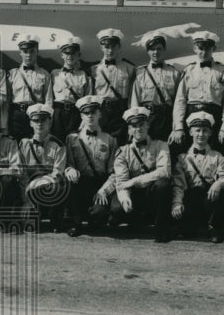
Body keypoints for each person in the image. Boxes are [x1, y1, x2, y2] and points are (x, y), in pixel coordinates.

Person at [110, 107, 174, 243]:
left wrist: (134, 181)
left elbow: (164, 172)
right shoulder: (123, 151)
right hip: (135, 195)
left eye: (141, 125)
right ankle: (135, 221)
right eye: (134, 126)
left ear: (148, 125)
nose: (138, 129)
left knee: (163, 184)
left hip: (153, 192)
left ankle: (161, 230)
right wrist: (125, 198)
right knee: (117, 207)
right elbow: (121, 180)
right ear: (129, 130)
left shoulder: (161, 145)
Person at [172, 111, 224, 243]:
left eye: (205, 130)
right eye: (198, 130)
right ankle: (191, 225)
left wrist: (218, 183)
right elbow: (179, 184)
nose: (201, 134)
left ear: (210, 133)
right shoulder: (183, 158)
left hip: (210, 201)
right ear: (190, 132)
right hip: (192, 201)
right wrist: (177, 203)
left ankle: (216, 228)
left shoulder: (218, 157)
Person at [171, 30, 224, 154]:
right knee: (189, 153)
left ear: (214, 48)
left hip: (215, 116)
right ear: (194, 48)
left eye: (208, 48)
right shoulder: (189, 70)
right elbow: (180, 101)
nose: (204, 52)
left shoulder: (222, 71)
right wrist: (178, 127)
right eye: (200, 48)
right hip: (191, 115)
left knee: (213, 153)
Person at [62, 96, 116, 237]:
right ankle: (76, 223)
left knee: (98, 214)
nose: (90, 115)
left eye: (93, 112)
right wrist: (70, 169)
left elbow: (114, 172)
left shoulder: (110, 140)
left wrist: (104, 190)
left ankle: (96, 218)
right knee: (68, 182)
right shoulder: (72, 139)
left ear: (100, 114)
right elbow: (68, 163)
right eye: (86, 113)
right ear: (81, 116)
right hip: (80, 183)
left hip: (100, 184)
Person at [18, 103, 70, 233]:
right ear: (30, 123)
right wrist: (26, 200)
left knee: (62, 184)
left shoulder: (58, 145)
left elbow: (57, 174)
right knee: (31, 228)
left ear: (50, 122)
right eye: (35, 120)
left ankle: (55, 218)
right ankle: (33, 214)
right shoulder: (23, 144)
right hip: (29, 191)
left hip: (49, 187)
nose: (39, 124)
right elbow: (22, 174)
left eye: (43, 120)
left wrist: (37, 183)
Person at [130, 31, 181, 144]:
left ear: (164, 49)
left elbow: (179, 102)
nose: (156, 52)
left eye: (159, 48)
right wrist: (135, 126)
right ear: (147, 51)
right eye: (152, 49)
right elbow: (135, 102)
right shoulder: (140, 74)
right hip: (147, 120)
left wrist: (176, 127)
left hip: (167, 119)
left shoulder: (174, 73)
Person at [89, 28, 136, 144]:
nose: (110, 50)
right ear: (101, 48)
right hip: (101, 111)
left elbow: (132, 94)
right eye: (106, 47)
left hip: (120, 110)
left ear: (119, 47)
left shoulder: (129, 69)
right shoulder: (94, 70)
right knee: (100, 143)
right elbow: (90, 95)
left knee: (120, 144)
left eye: (113, 47)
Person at [7, 33, 51, 141]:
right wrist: (5, 125)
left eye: (32, 51)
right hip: (17, 116)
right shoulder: (12, 74)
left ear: (37, 51)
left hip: (37, 116)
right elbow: (6, 102)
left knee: (36, 146)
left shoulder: (45, 74)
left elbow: (49, 101)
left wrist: (48, 124)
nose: (28, 55)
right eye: (25, 52)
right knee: (17, 146)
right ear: (20, 52)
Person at [49, 36, 91, 141]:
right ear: (62, 55)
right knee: (58, 142)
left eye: (73, 53)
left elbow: (88, 101)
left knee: (75, 143)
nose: (70, 56)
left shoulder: (84, 75)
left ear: (79, 55)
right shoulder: (54, 74)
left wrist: (84, 120)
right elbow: (49, 98)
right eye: (67, 53)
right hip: (58, 113)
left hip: (75, 113)